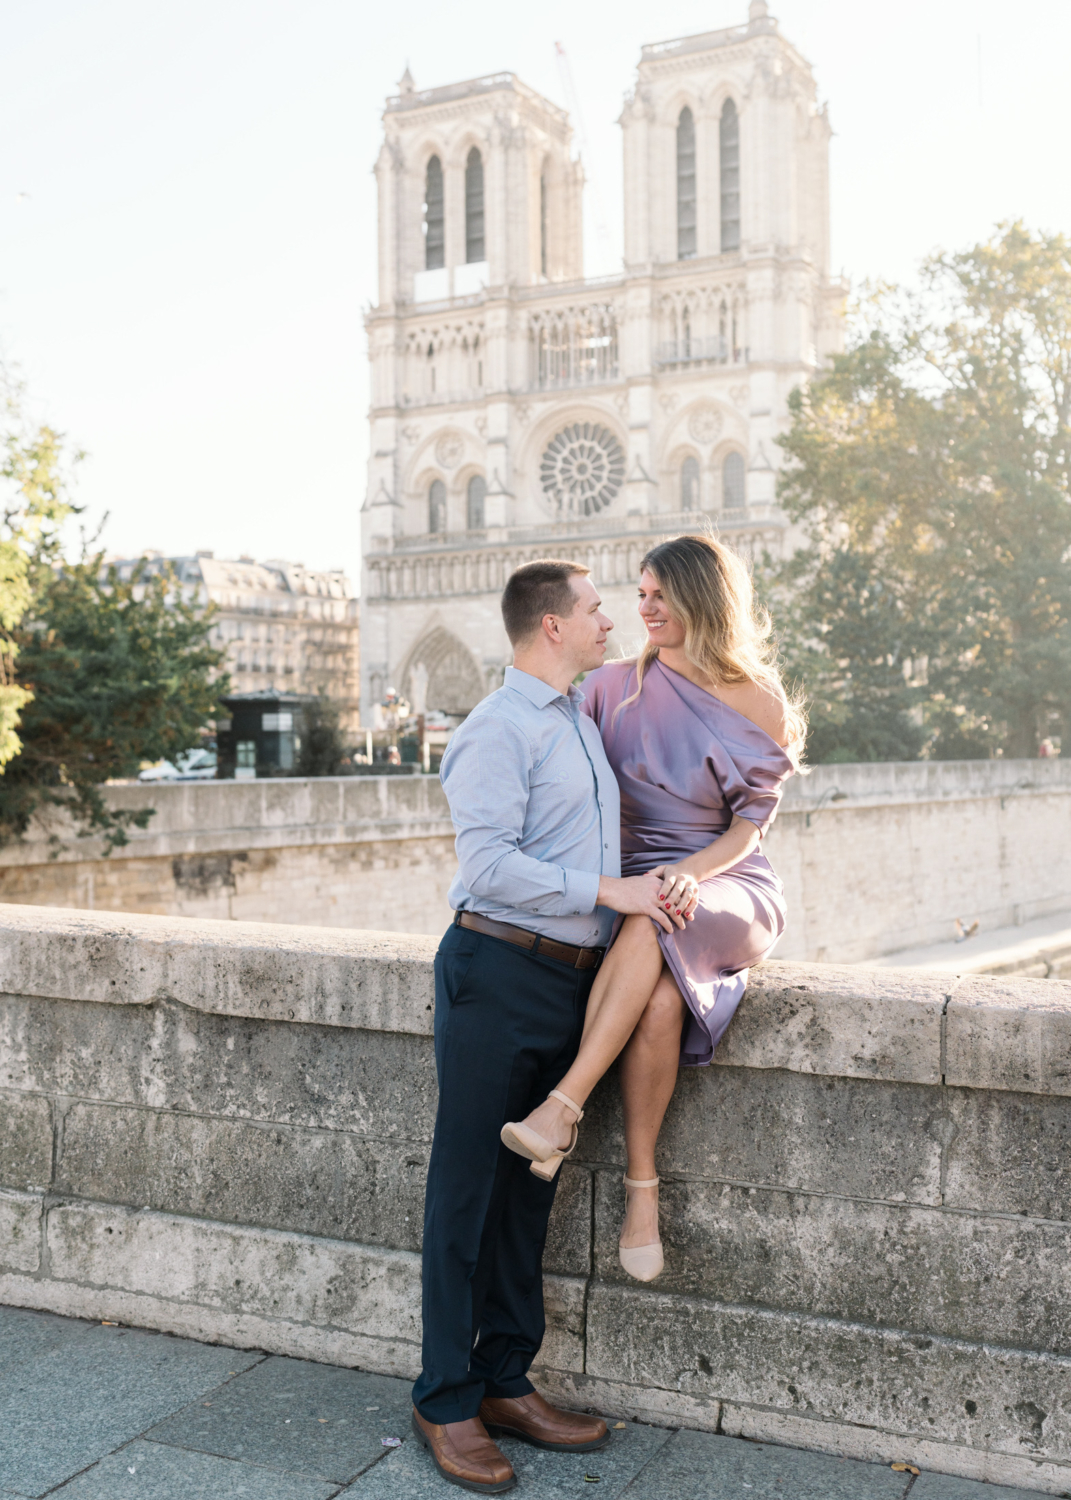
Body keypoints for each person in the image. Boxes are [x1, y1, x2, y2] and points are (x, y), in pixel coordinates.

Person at [412, 558, 686, 1495]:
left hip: (569, 980)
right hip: (495, 969)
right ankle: (445, 1398)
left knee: (530, 1190)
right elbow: (486, 865)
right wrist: (606, 890)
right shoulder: (494, 729)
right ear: (552, 627)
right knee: (464, 1193)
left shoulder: (577, 717)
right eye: (596, 609)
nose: (610, 621)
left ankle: (503, 1379)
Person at [500, 534, 803, 1284]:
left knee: (653, 913)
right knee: (661, 1003)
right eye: (638, 594)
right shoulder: (607, 688)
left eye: (658, 595)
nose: (643, 609)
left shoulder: (758, 699)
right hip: (641, 885)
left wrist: (687, 875)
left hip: (725, 879)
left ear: (703, 597)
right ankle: (642, 1194)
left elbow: (746, 829)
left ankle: (562, 1108)